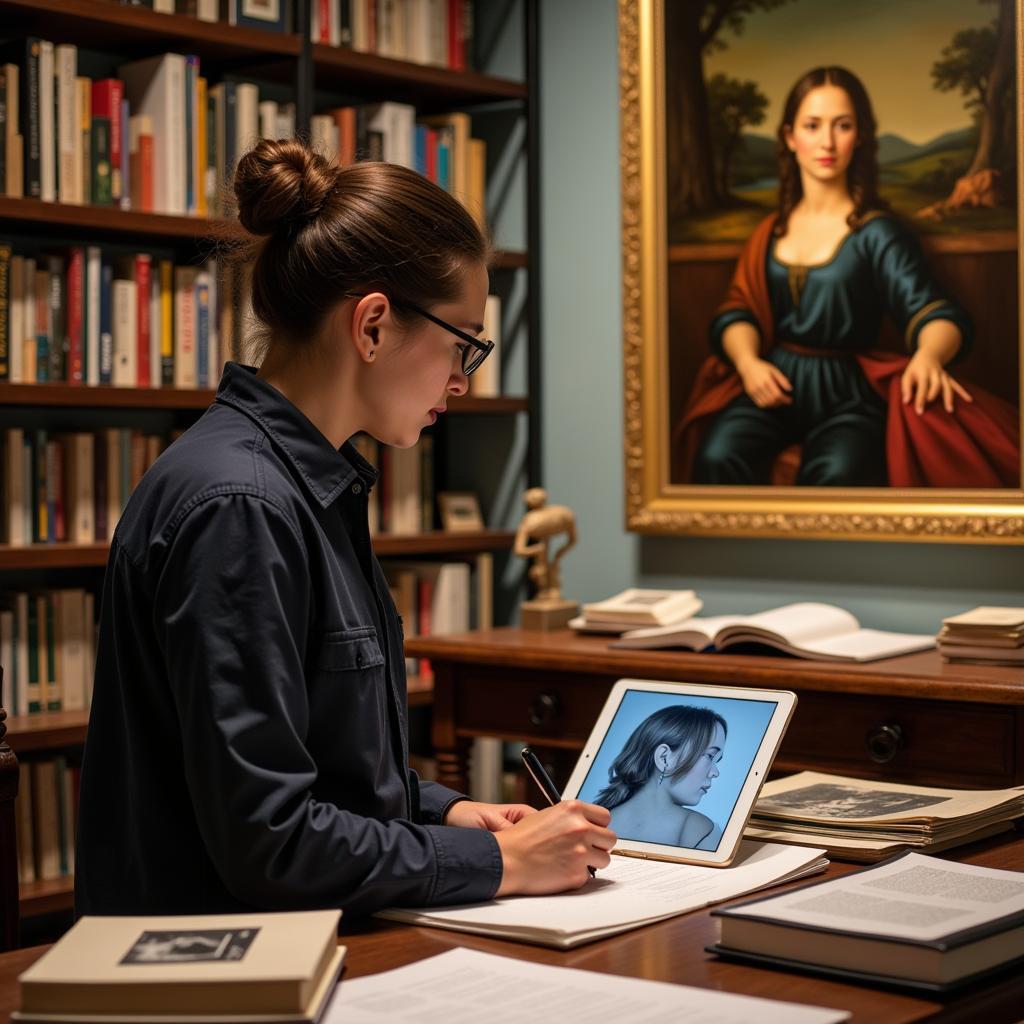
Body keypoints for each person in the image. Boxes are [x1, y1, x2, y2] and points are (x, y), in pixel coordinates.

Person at [75, 139, 616, 918]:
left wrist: (448, 813)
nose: (464, 379)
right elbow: (273, 844)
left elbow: (320, 769)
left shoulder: (302, 483)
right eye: (463, 344)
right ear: (371, 326)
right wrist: (498, 861)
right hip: (221, 968)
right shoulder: (242, 505)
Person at [674, 66, 1019, 489]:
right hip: (773, 384)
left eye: (843, 126)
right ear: (789, 137)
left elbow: (933, 311)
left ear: (860, 137)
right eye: (813, 125)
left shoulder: (877, 233)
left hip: (848, 395)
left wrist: (929, 356)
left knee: (839, 473)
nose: (827, 142)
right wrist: (748, 364)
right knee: (716, 456)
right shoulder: (770, 231)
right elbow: (737, 310)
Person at [593, 706, 727, 851]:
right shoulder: (697, 828)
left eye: (717, 761)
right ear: (664, 757)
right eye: (710, 756)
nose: (715, 772)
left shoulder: (594, 821)